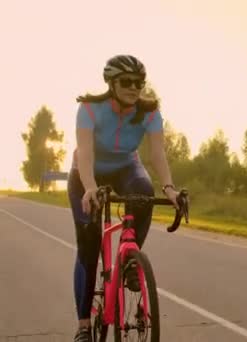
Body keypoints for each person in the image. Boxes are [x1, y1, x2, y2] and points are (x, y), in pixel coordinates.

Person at [68, 54, 179, 342]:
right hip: (87, 171)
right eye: (127, 82)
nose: (134, 87)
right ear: (111, 83)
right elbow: (86, 153)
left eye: (139, 82)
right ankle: (83, 326)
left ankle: (130, 259)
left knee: (143, 191)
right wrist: (90, 187)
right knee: (89, 248)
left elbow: (157, 155)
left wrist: (169, 187)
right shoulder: (90, 108)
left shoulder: (150, 112)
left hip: (126, 168)